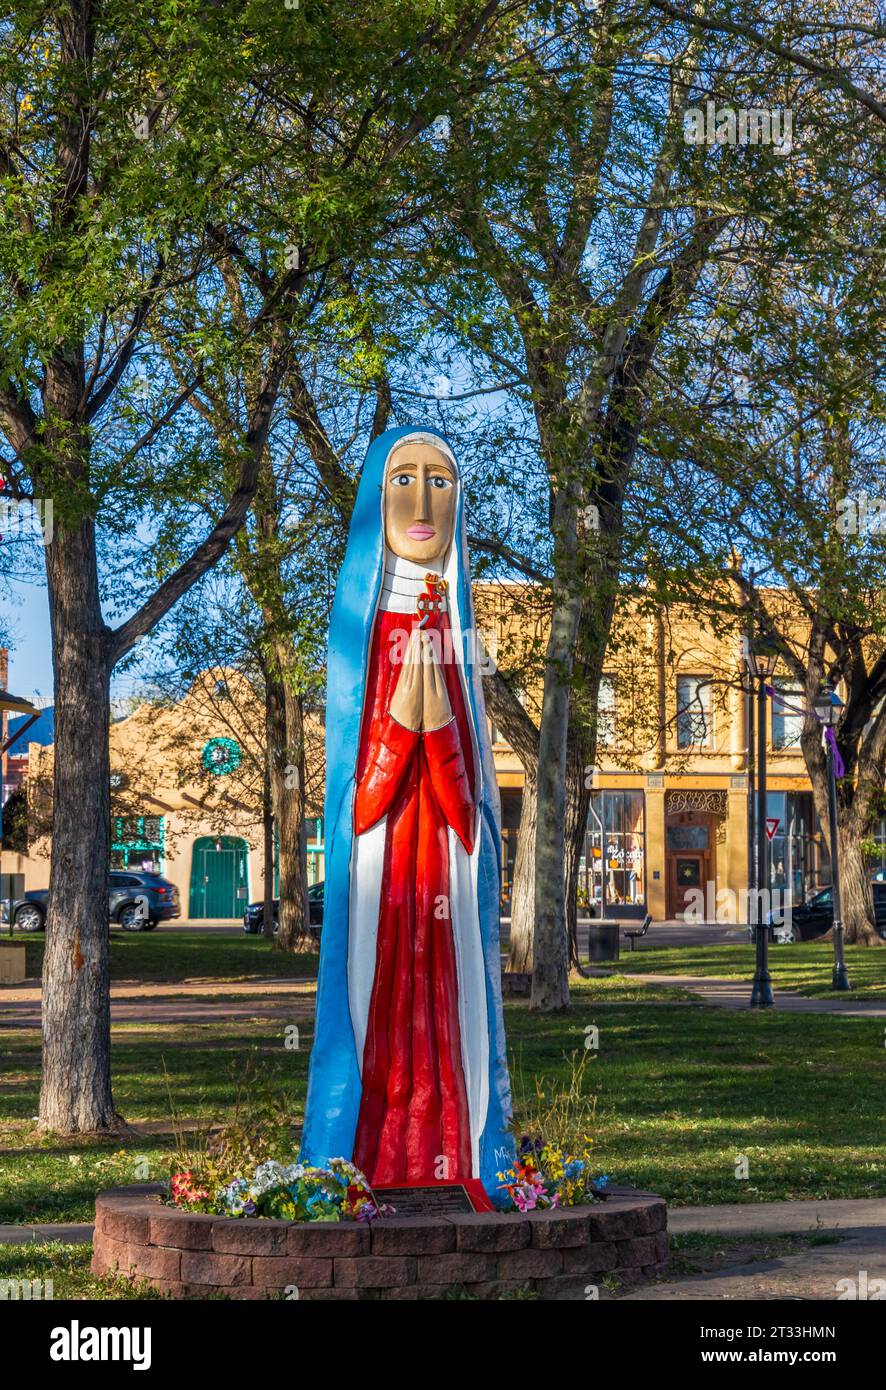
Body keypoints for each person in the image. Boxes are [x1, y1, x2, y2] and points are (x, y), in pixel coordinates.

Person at [300, 427, 515, 1203]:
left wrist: (441, 729)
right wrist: (399, 723)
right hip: (383, 861)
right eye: (404, 481)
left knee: (456, 1005)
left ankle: (462, 1149)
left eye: (440, 481)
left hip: (446, 868)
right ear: (375, 497)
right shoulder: (357, 635)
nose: (423, 500)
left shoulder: (460, 631)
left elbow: (476, 799)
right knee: (368, 997)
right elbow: (353, 799)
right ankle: (357, 1152)